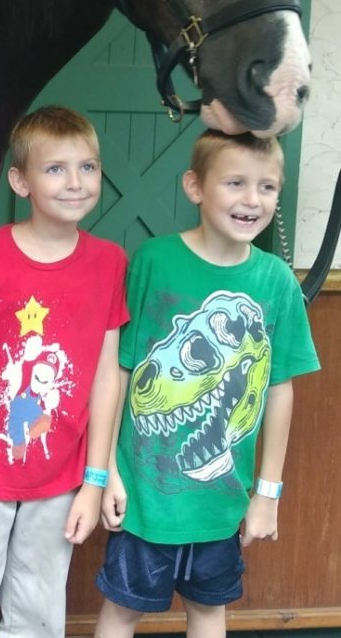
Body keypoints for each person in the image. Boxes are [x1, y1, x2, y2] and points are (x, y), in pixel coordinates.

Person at [94, 129, 320, 638]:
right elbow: (119, 369)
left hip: (222, 503)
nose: (251, 199)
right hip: (142, 499)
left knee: (208, 611)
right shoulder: (154, 260)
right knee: (121, 609)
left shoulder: (277, 282)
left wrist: (268, 493)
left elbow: (279, 388)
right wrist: (106, 468)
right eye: (235, 182)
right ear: (195, 187)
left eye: (267, 187)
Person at [0, 105, 130, 638]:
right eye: (55, 168)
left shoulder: (110, 262)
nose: (76, 182)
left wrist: (96, 479)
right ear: (20, 181)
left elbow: (107, 377)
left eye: (88, 167)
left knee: (39, 615)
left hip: (60, 474)